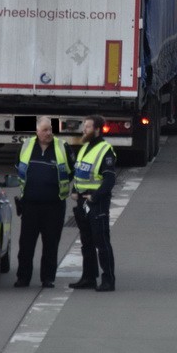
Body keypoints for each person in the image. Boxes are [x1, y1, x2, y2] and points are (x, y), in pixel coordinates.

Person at [15, 117, 74, 289]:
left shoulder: (62, 147)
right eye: (45, 130)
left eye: (50, 129)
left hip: (53, 206)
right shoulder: (26, 146)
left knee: (51, 244)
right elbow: (18, 168)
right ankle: (23, 278)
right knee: (26, 245)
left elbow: (72, 171)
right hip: (30, 205)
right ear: (37, 132)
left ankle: (48, 278)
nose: (48, 133)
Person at [69, 115, 119, 292]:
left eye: (88, 127)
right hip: (83, 202)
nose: (84, 130)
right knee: (86, 242)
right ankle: (89, 277)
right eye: (84, 126)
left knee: (102, 241)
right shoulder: (84, 148)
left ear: (97, 130)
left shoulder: (105, 150)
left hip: (96, 203)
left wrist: (95, 197)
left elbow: (109, 180)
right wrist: (75, 190)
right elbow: (80, 173)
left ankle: (108, 280)